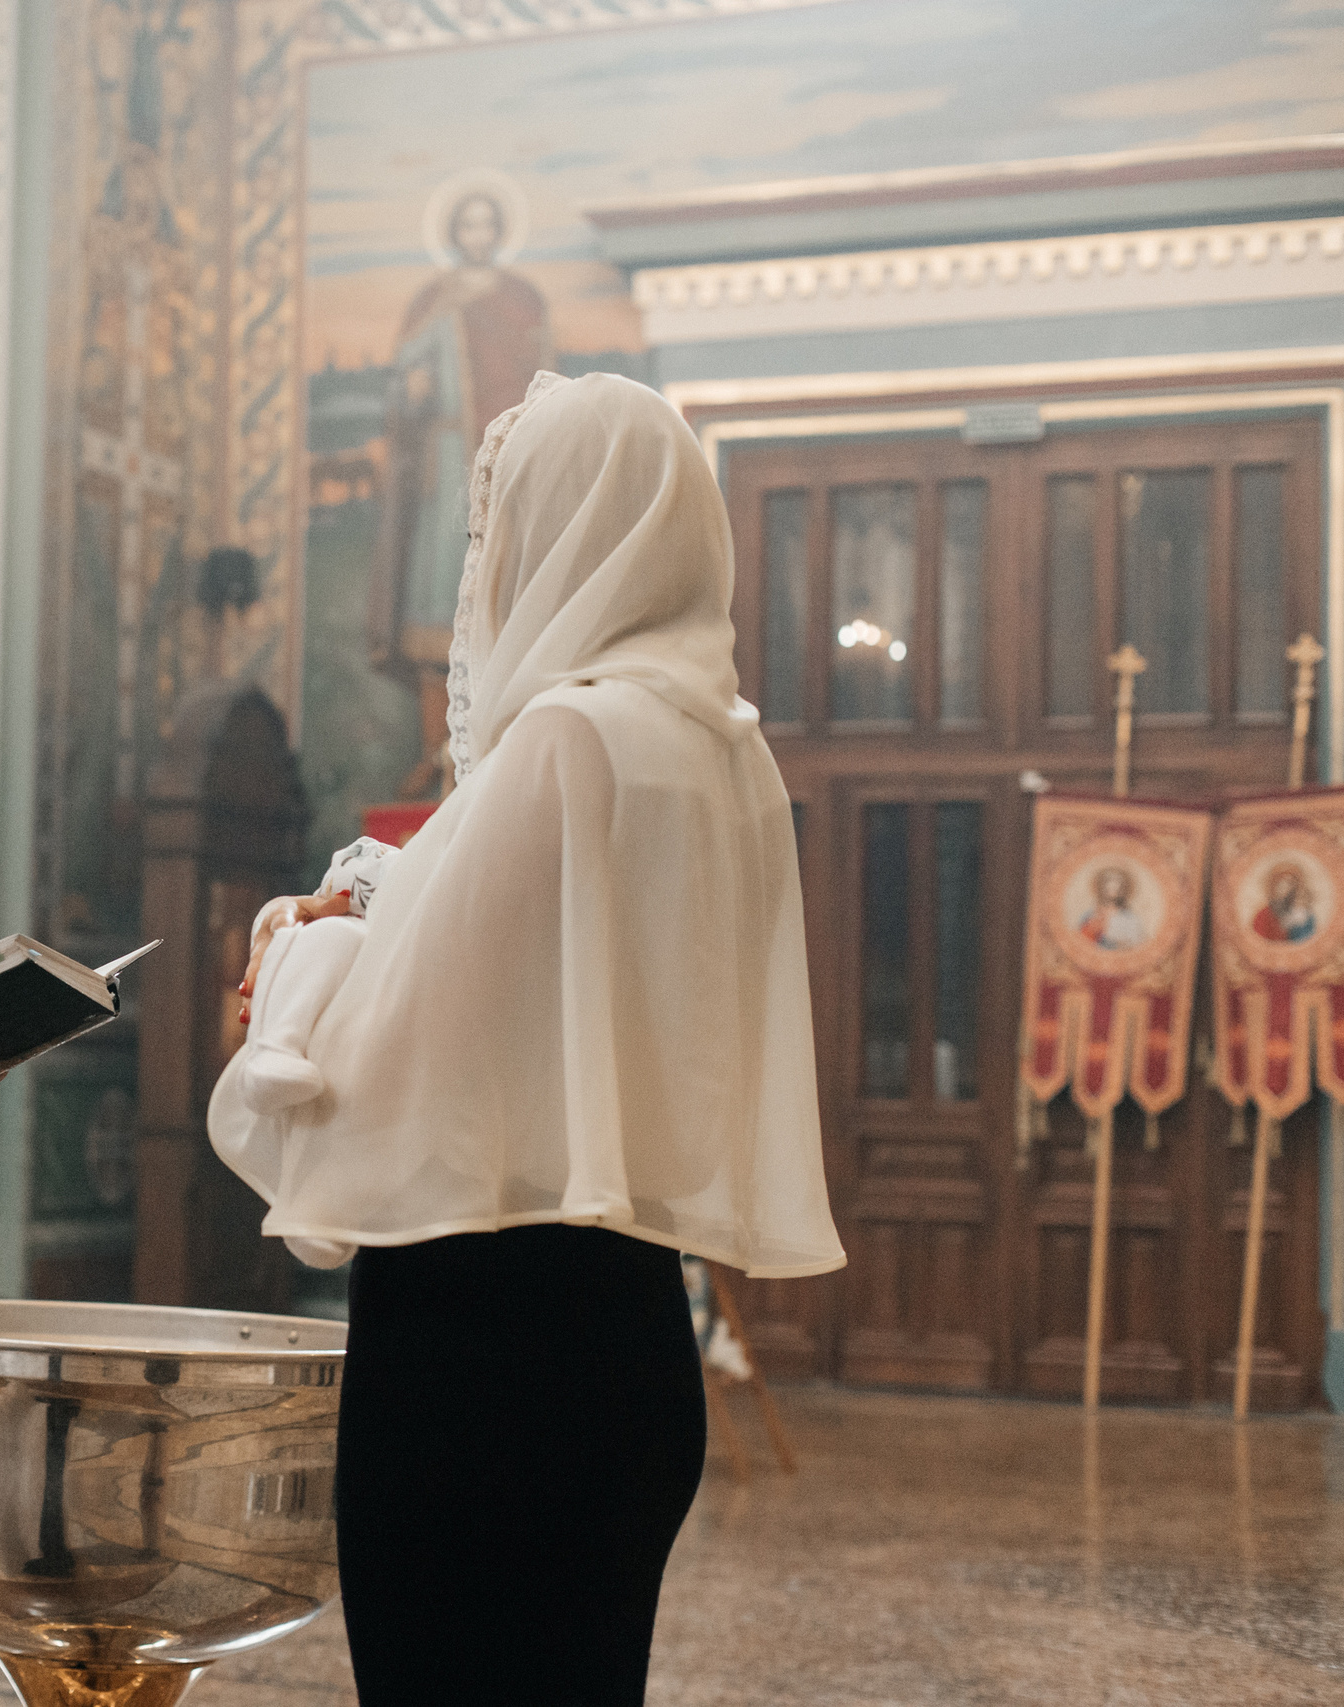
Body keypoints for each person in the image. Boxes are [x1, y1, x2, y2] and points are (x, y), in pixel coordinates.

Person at [213, 371, 843, 1705]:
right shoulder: (723, 748)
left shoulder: (567, 736)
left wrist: (294, 956)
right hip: (625, 1329)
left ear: (562, 532)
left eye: (498, 525)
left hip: (481, 1355)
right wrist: (379, 912)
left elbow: (393, 1052)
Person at [369, 186, 550, 799]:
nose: (478, 236)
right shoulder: (433, 301)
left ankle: (496, 753)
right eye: (467, 225)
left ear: (499, 231)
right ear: (454, 233)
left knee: (502, 606)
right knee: (435, 614)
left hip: (502, 467)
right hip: (444, 467)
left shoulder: (520, 300)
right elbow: (400, 383)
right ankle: (433, 753)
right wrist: (413, 391)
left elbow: (544, 379)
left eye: (487, 224)